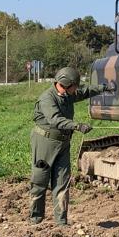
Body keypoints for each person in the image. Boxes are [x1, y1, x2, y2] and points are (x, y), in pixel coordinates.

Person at [29, 67, 106, 225]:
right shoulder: (47, 98)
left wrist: (104, 88)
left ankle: (61, 221)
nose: (77, 89)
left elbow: (85, 92)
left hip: (63, 143)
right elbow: (55, 120)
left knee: (62, 182)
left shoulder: (68, 94)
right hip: (45, 142)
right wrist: (77, 126)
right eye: (75, 86)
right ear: (66, 84)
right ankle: (35, 220)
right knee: (40, 180)